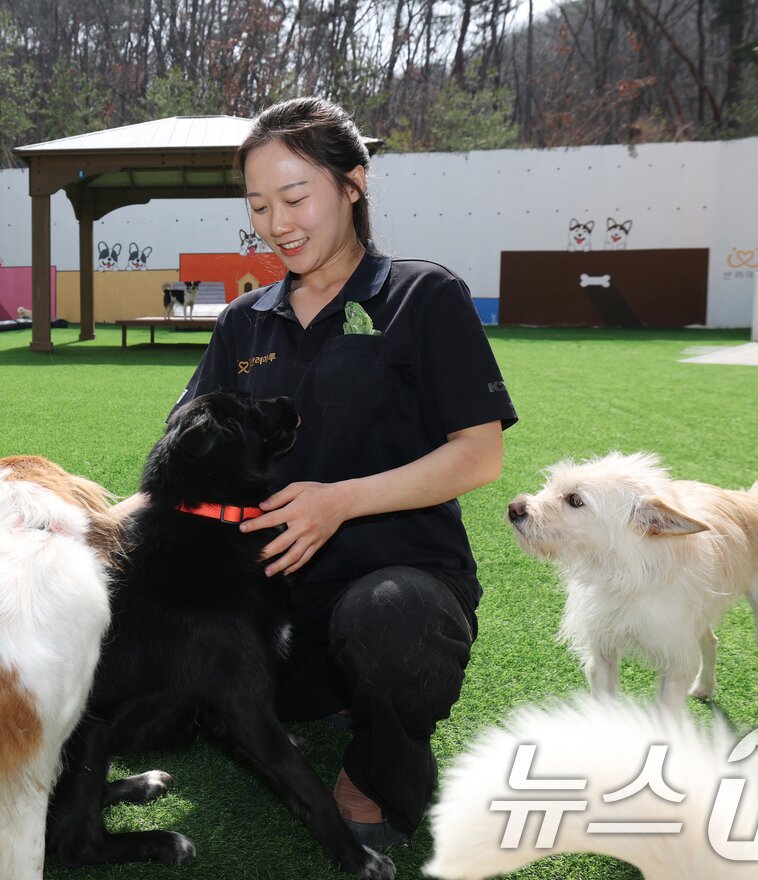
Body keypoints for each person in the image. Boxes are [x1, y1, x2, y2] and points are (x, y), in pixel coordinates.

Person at [123, 96, 516, 849]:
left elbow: (480, 451)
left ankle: (378, 765)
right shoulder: (244, 321)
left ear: (352, 184)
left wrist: (339, 502)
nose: (278, 223)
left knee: (391, 624)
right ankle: (329, 695)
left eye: (295, 196)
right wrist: (77, 522)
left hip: (397, 581)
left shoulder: (422, 296)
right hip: (270, 602)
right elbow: (180, 467)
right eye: (259, 205)